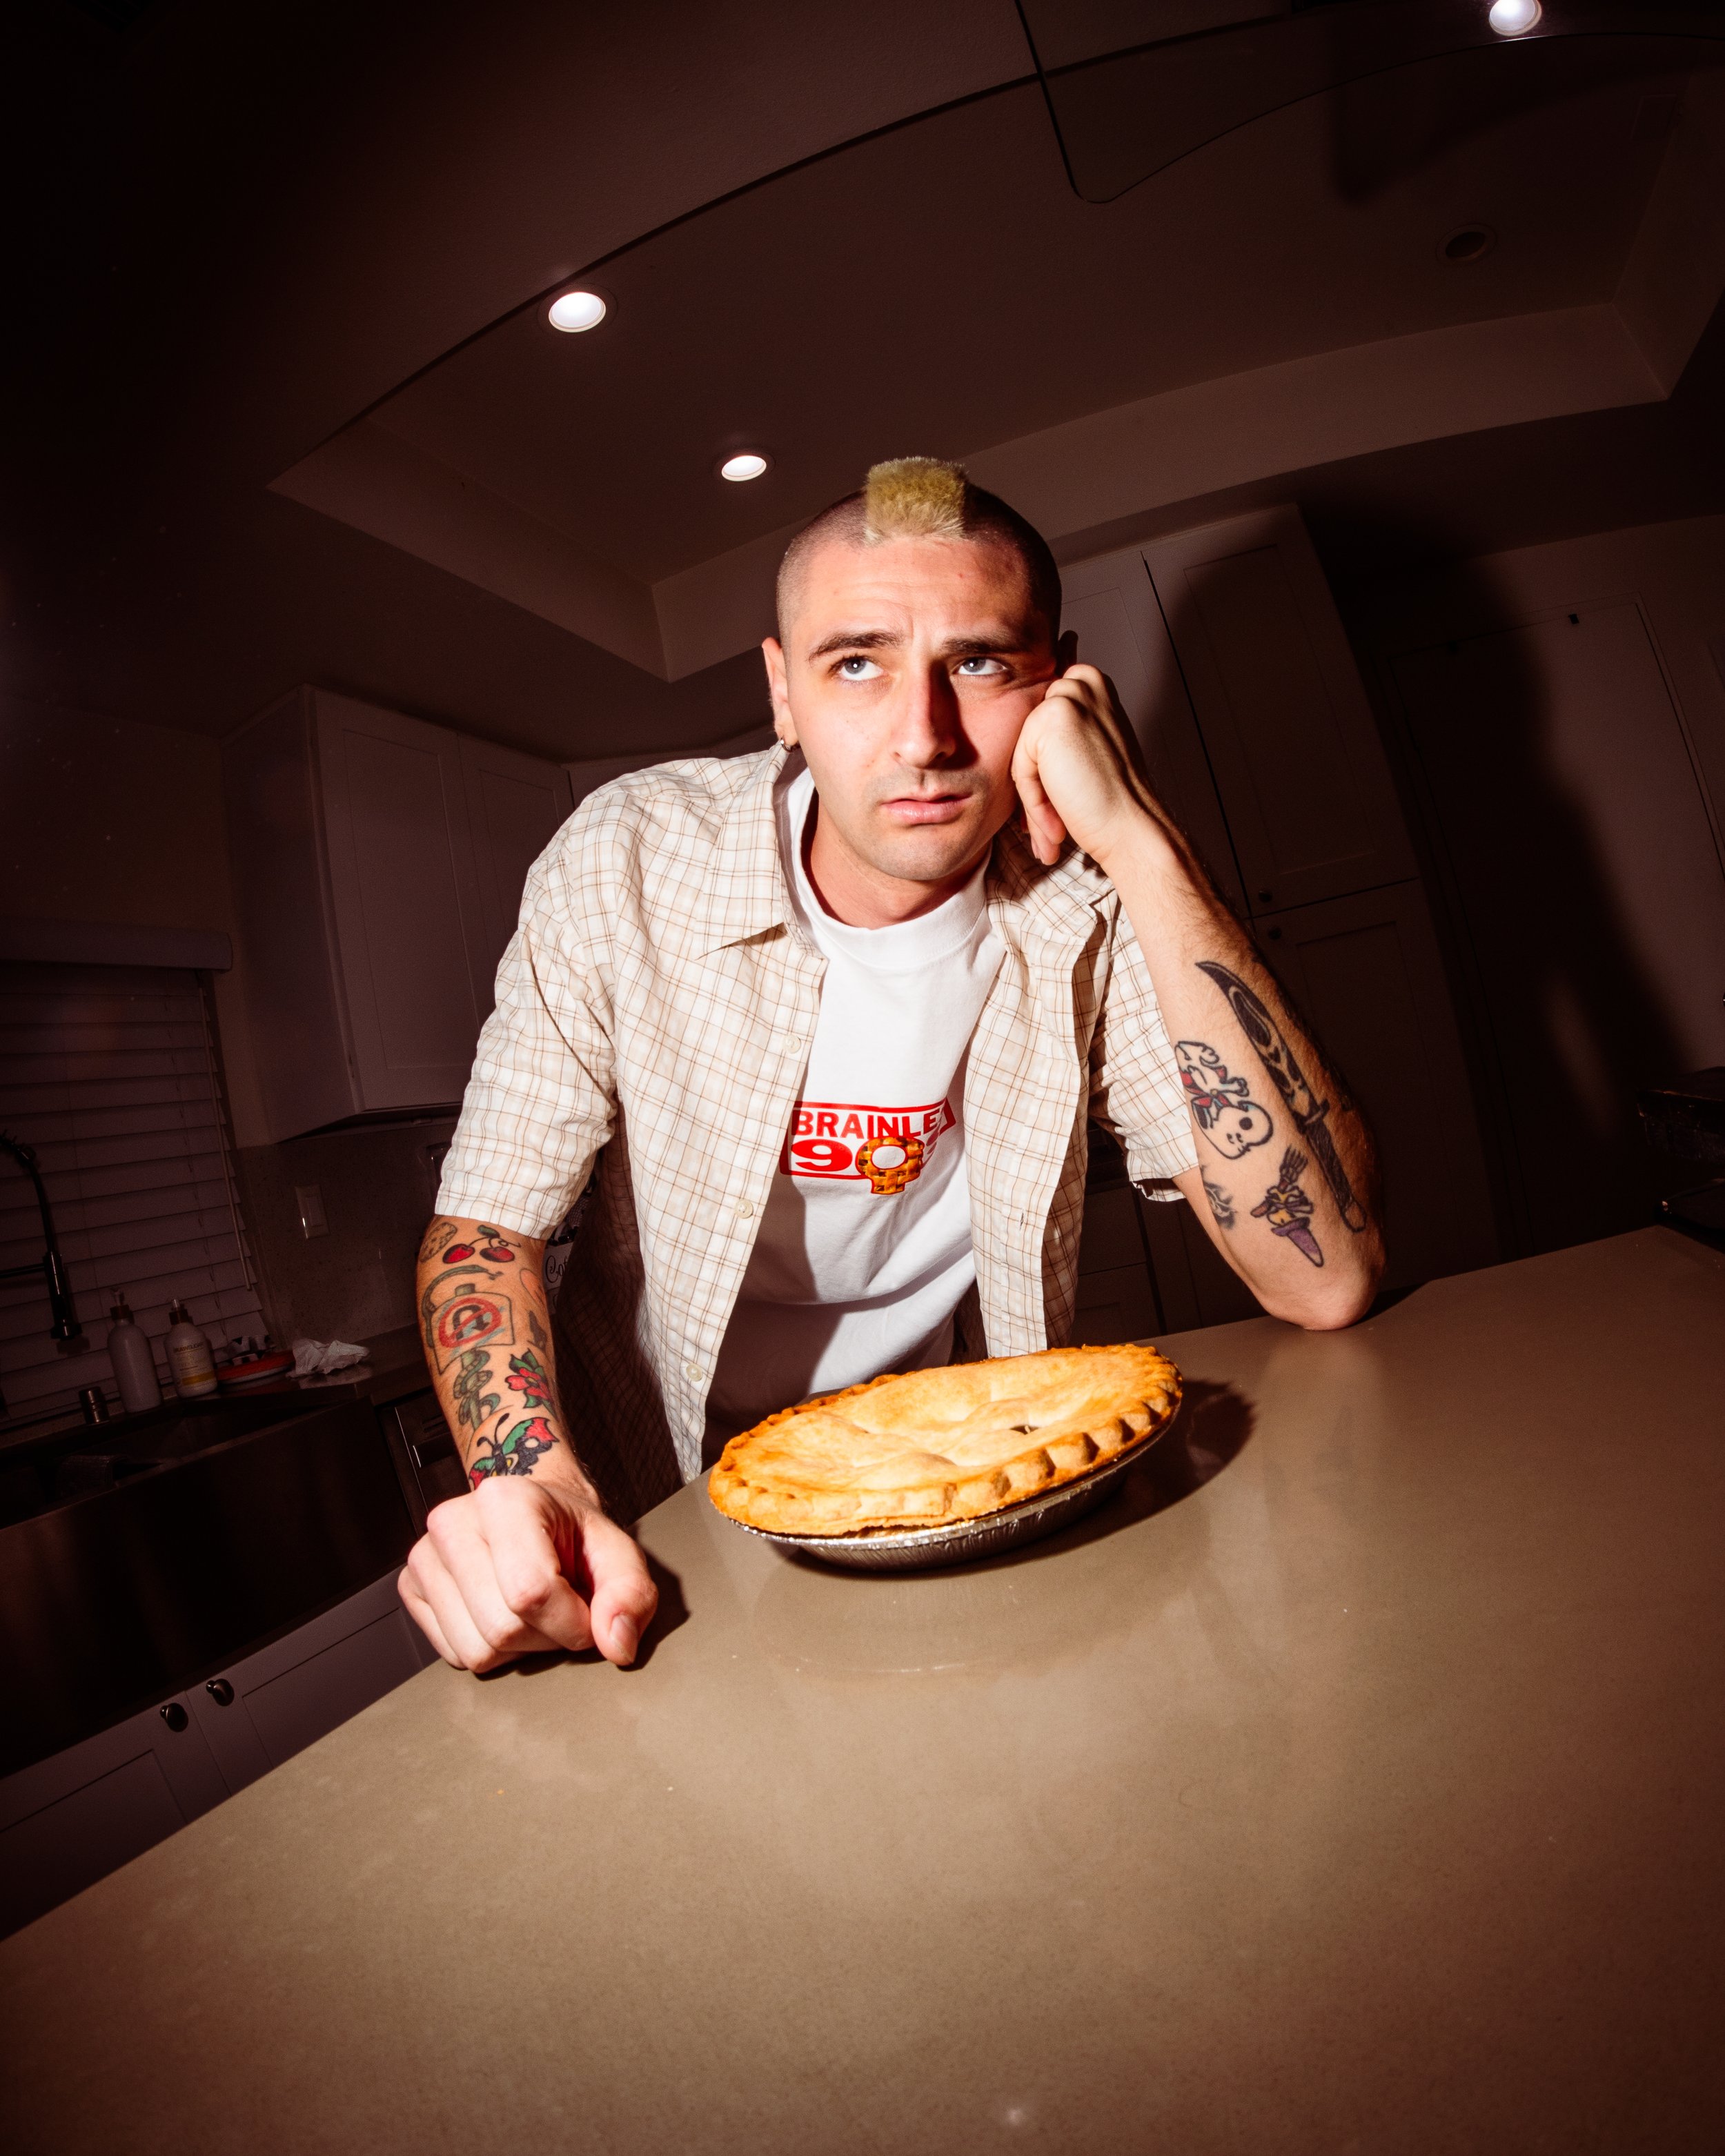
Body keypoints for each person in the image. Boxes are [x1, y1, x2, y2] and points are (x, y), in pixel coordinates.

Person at [399, 457, 1384, 1672]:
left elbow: (1326, 1279)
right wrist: (534, 1477)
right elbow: (484, 1228)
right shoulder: (623, 864)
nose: (924, 738)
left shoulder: (1090, 898)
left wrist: (1139, 837)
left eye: (980, 664)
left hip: (951, 1480)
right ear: (782, 691)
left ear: (1060, 681)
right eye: (857, 663)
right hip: (659, 1496)